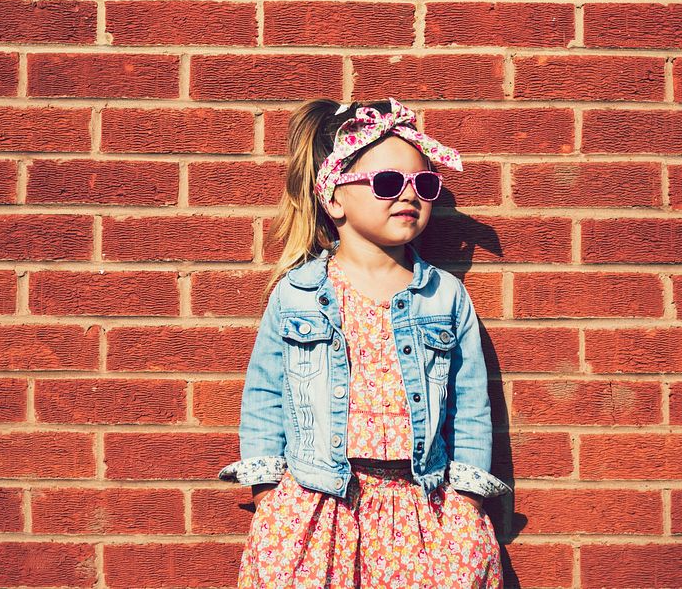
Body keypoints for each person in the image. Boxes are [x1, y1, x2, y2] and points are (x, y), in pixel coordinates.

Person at [218, 97, 512, 587]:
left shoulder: (445, 296)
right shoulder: (298, 295)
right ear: (333, 198)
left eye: (425, 184)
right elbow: (264, 395)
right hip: (317, 504)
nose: (410, 195)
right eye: (388, 183)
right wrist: (270, 495)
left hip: (423, 509)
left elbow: (471, 404)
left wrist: (466, 504)